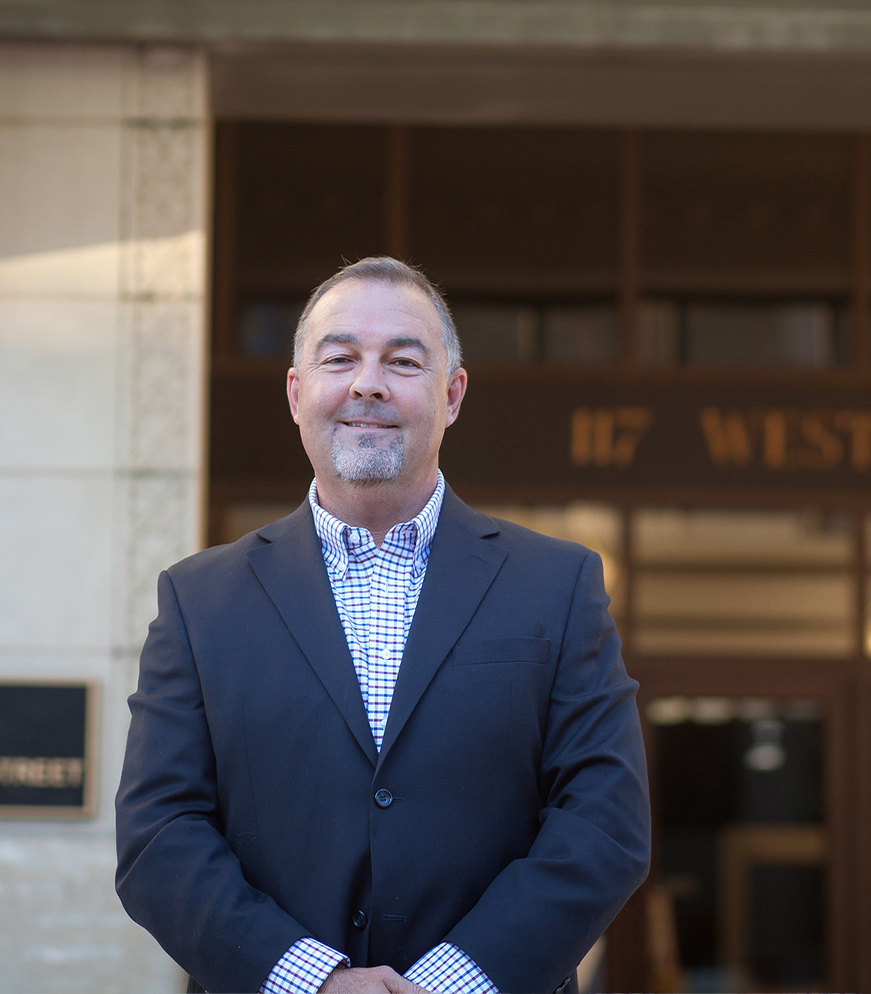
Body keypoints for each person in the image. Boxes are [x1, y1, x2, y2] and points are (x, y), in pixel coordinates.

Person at [116, 257, 650, 994]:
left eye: (402, 360)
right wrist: (316, 981)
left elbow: (604, 823)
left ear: (452, 394)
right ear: (298, 393)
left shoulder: (557, 586)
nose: (367, 382)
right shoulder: (199, 600)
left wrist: (450, 984)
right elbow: (158, 837)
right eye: (340, 358)